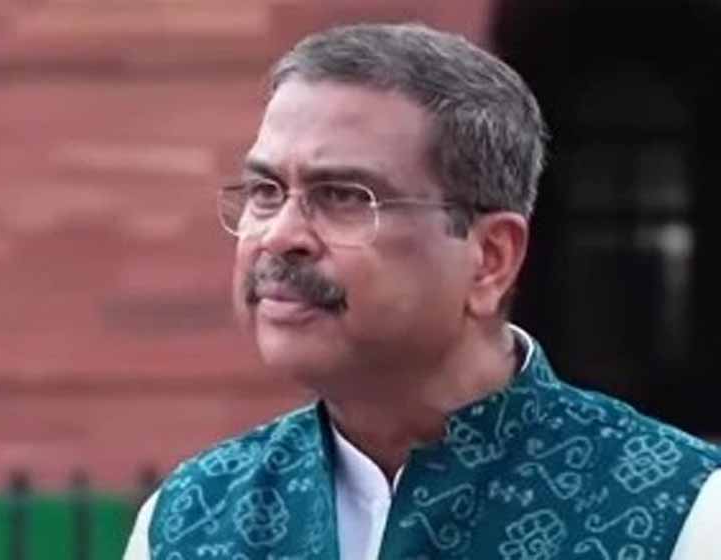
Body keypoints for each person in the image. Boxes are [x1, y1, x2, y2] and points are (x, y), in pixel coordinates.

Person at [124, 22, 721, 559]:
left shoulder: (682, 511)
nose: (280, 236)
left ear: (490, 259)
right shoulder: (190, 520)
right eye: (265, 191)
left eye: (344, 196)